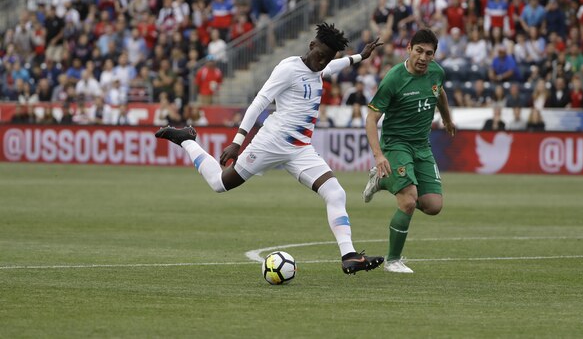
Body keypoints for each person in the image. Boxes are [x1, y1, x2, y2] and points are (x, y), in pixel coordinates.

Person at [155, 23, 384, 275]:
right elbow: (258, 103)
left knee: (336, 193)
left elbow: (333, 66)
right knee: (219, 184)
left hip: (300, 149)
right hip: (270, 143)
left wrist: (360, 56)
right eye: (319, 55)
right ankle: (187, 139)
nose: (321, 62)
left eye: (327, 58)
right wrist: (237, 142)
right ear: (311, 46)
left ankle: (349, 256)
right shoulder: (288, 69)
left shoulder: (320, 67)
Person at [362, 28, 456, 274]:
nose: (424, 58)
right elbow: (371, 119)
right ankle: (393, 260)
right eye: (419, 51)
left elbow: (440, 92)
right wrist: (379, 155)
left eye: (429, 53)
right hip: (395, 145)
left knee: (434, 206)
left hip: (421, 146)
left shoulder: (437, 72)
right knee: (408, 200)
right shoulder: (394, 78)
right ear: (409, 50)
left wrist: (447, 119)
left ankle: (382, 180)